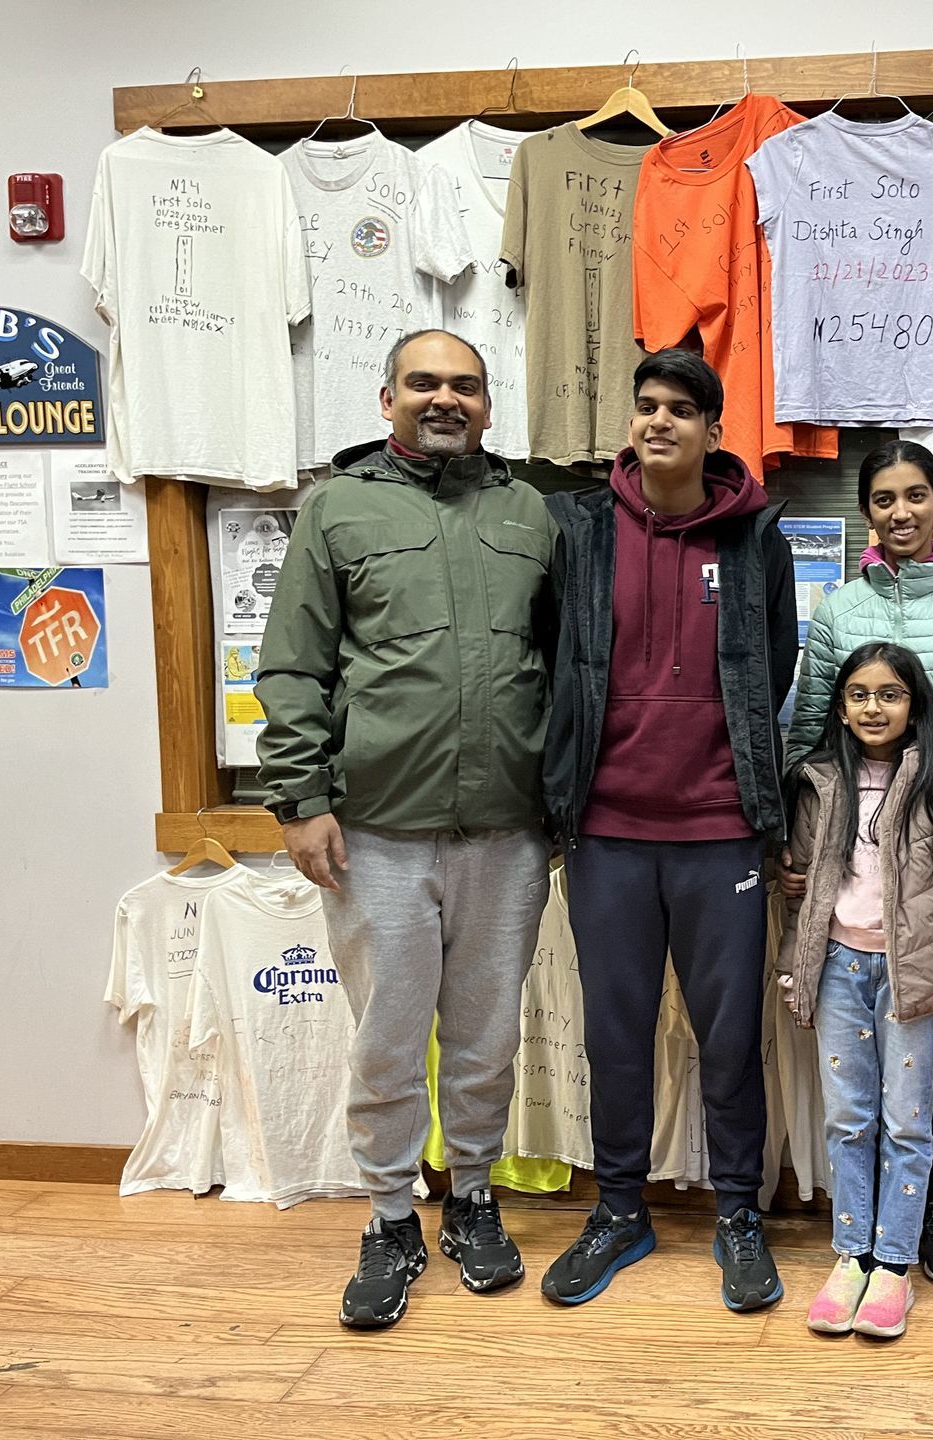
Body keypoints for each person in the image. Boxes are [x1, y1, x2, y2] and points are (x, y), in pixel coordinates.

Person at [257, 329, 558, 1330]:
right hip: (376, 829)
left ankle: (471, 1198)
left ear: (488, 405)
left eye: (464, 386)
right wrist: (300, 799)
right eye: (423, 383)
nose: (445, 399)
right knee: (389, 1037)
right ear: (387, 398)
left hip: (507, 830)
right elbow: (293, 664)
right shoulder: (338, 508)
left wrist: (562, 798)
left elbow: (565, 664)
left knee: (486, 1036)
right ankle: (390, 1216)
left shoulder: (528, 513)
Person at [540, 348, 798, 1312]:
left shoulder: (756, 540)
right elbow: (554, 661)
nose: (659, 421)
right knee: (616, 1033)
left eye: (681, 409)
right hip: (605, 830)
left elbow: (772, 673)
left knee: (729, 1038)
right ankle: (619, 1209)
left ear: (713, 431)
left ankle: (739, 1214)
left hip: (720, 830)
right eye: (646, 405)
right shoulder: (580, 530)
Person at [785, 438, 933, 1284]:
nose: (901, 513)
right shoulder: (840, 612)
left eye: (916, 495)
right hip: (852, 877)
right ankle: (863, 1236)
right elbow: (808, 737)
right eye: (884, 498)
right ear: (866, 511)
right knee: (863, 1079)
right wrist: (793, 849)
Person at [779, 643, 933, 1339]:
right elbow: (804, 890)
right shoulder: (818, 783)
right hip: (839, 970)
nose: (874, 707)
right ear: (841, 708)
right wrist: (796, 965)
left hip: (913, 977)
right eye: (860, 695)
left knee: (907, 1120)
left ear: (914, 705)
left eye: (890, 694)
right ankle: (852, 1257)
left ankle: (894, 1265)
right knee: (849, 1119)